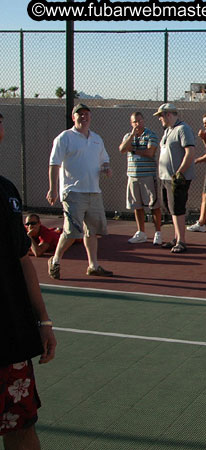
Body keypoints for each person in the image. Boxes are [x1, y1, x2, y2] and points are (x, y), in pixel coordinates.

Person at [1, 111, 57, 450]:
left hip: (9, 335)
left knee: (21, 427)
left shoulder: (6, 191)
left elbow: (23, 260)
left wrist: (44, 321)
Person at [46, 103, 113, 279]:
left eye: (86, 114)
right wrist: (53, 188)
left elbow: (104, 159)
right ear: (73, 117)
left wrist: (106, 168)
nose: (83, 117)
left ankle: (93, 265)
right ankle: (55, 260)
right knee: (71, 232)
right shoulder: (64, 138)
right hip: (73, 193)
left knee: (92, 231)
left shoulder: (97, 139)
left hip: (94, 192)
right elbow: (54, 164)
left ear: (90, 117)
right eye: (79, 114)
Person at [154, 103, 196, 253]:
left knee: (177, 207)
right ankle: (176, 236)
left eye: (161, 116)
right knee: (170, 207)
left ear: (168, 115)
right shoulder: (167, 131)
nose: (160, 119)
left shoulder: (183, 129)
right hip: (165, 177)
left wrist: (179, 173)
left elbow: (190, 152)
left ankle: (181, 241)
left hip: (177, 178)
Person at [118, 112, 162, 245]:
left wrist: (134, 151)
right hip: (132, 176)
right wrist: (131, 136)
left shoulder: (151, 135)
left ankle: (158, 233)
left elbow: (150, 152)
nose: (137, 124)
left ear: (144, 121)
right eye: (134, 122)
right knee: (137, 206)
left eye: (139, 121)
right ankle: (141, 233)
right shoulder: (128, 136)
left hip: (148, 175)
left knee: (154, 205)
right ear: (131, 123)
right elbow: (122, 149)